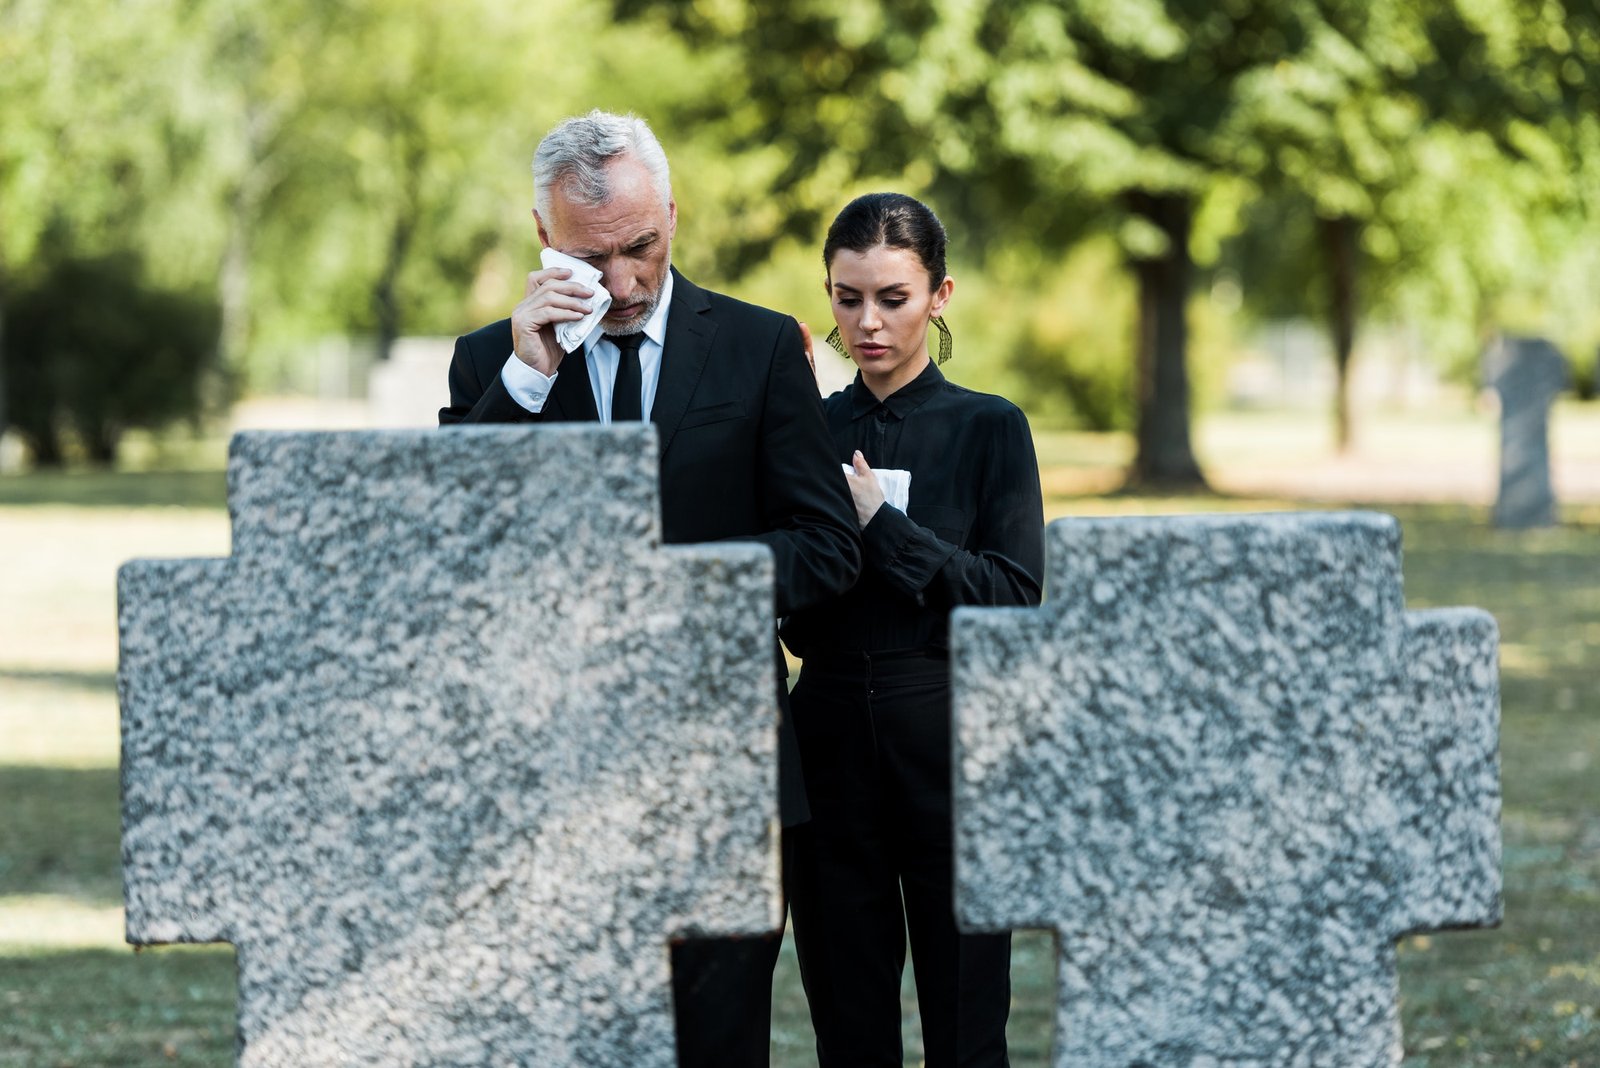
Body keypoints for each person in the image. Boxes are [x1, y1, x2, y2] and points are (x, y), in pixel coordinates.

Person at [439, 109, 861, 1067]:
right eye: (593, 258)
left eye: (641, 247)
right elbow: (457, 551)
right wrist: (527, 379)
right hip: (547, 767)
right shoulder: (490, 365)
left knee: (719, 1047)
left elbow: (828, 548)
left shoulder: (761, 347)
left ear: (672, 214)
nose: (624, 283)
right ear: (544, 236)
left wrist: (681, 587)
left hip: (722, 762)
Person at [782, 192, 1045, 1067]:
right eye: (847, 297)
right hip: (828, 748)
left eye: (893, 298)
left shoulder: (989, 427)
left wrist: (884, 530)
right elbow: (788, 604)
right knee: (849, 1033)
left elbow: (1013, 595)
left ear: (940, 296)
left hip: (953, 748)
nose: (867, 322)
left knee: (968, 1030)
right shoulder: (808, 429)